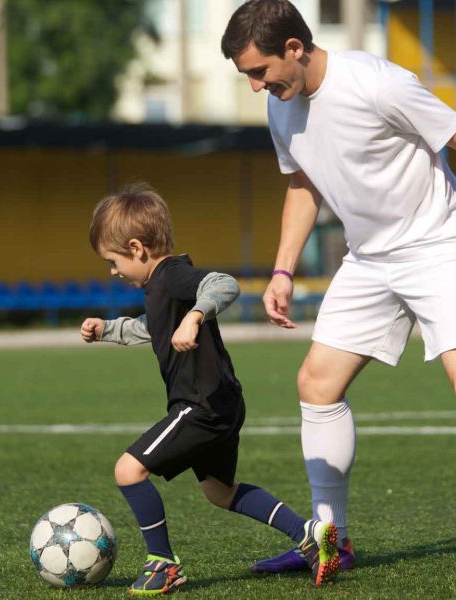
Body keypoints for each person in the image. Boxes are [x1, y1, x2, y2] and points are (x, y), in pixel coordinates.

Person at [220, 0, 456, 582]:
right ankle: (331, 541)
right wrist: (282, 270)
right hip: (369, 259)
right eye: (247, 77)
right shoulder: (283, 107)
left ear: (295, 49)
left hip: (438, 244)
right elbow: (303, 186)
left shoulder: (377, 83)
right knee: (317, 383)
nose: (257, 87)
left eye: (260, 72)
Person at [80, 182, 340, 596]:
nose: (113, 272)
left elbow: (225, 283)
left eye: (113, 262)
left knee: (128, 470)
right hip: (222, 401)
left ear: (136, 247)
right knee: (220, 492)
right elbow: (156, 328)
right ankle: (308, 535)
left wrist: (196, 316)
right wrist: (108, 329)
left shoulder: (172, 275)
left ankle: (163, 565)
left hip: (200, 405)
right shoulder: (159, 287)